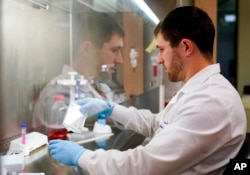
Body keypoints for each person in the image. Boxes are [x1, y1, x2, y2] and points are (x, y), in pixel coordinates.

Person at [48, 6, 247, 175]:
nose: (159, 59)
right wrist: (111, 109)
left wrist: (81, 156)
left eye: (161, 49)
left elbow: (143, 165)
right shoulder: (201, 90)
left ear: (186, 47)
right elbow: (158, 124)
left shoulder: (210, 101)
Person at [32, 12, 125, 128]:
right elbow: (65, 137)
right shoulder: (57, 93)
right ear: (87, 49)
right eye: (114, 50)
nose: (120, 60)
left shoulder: (102, 87)